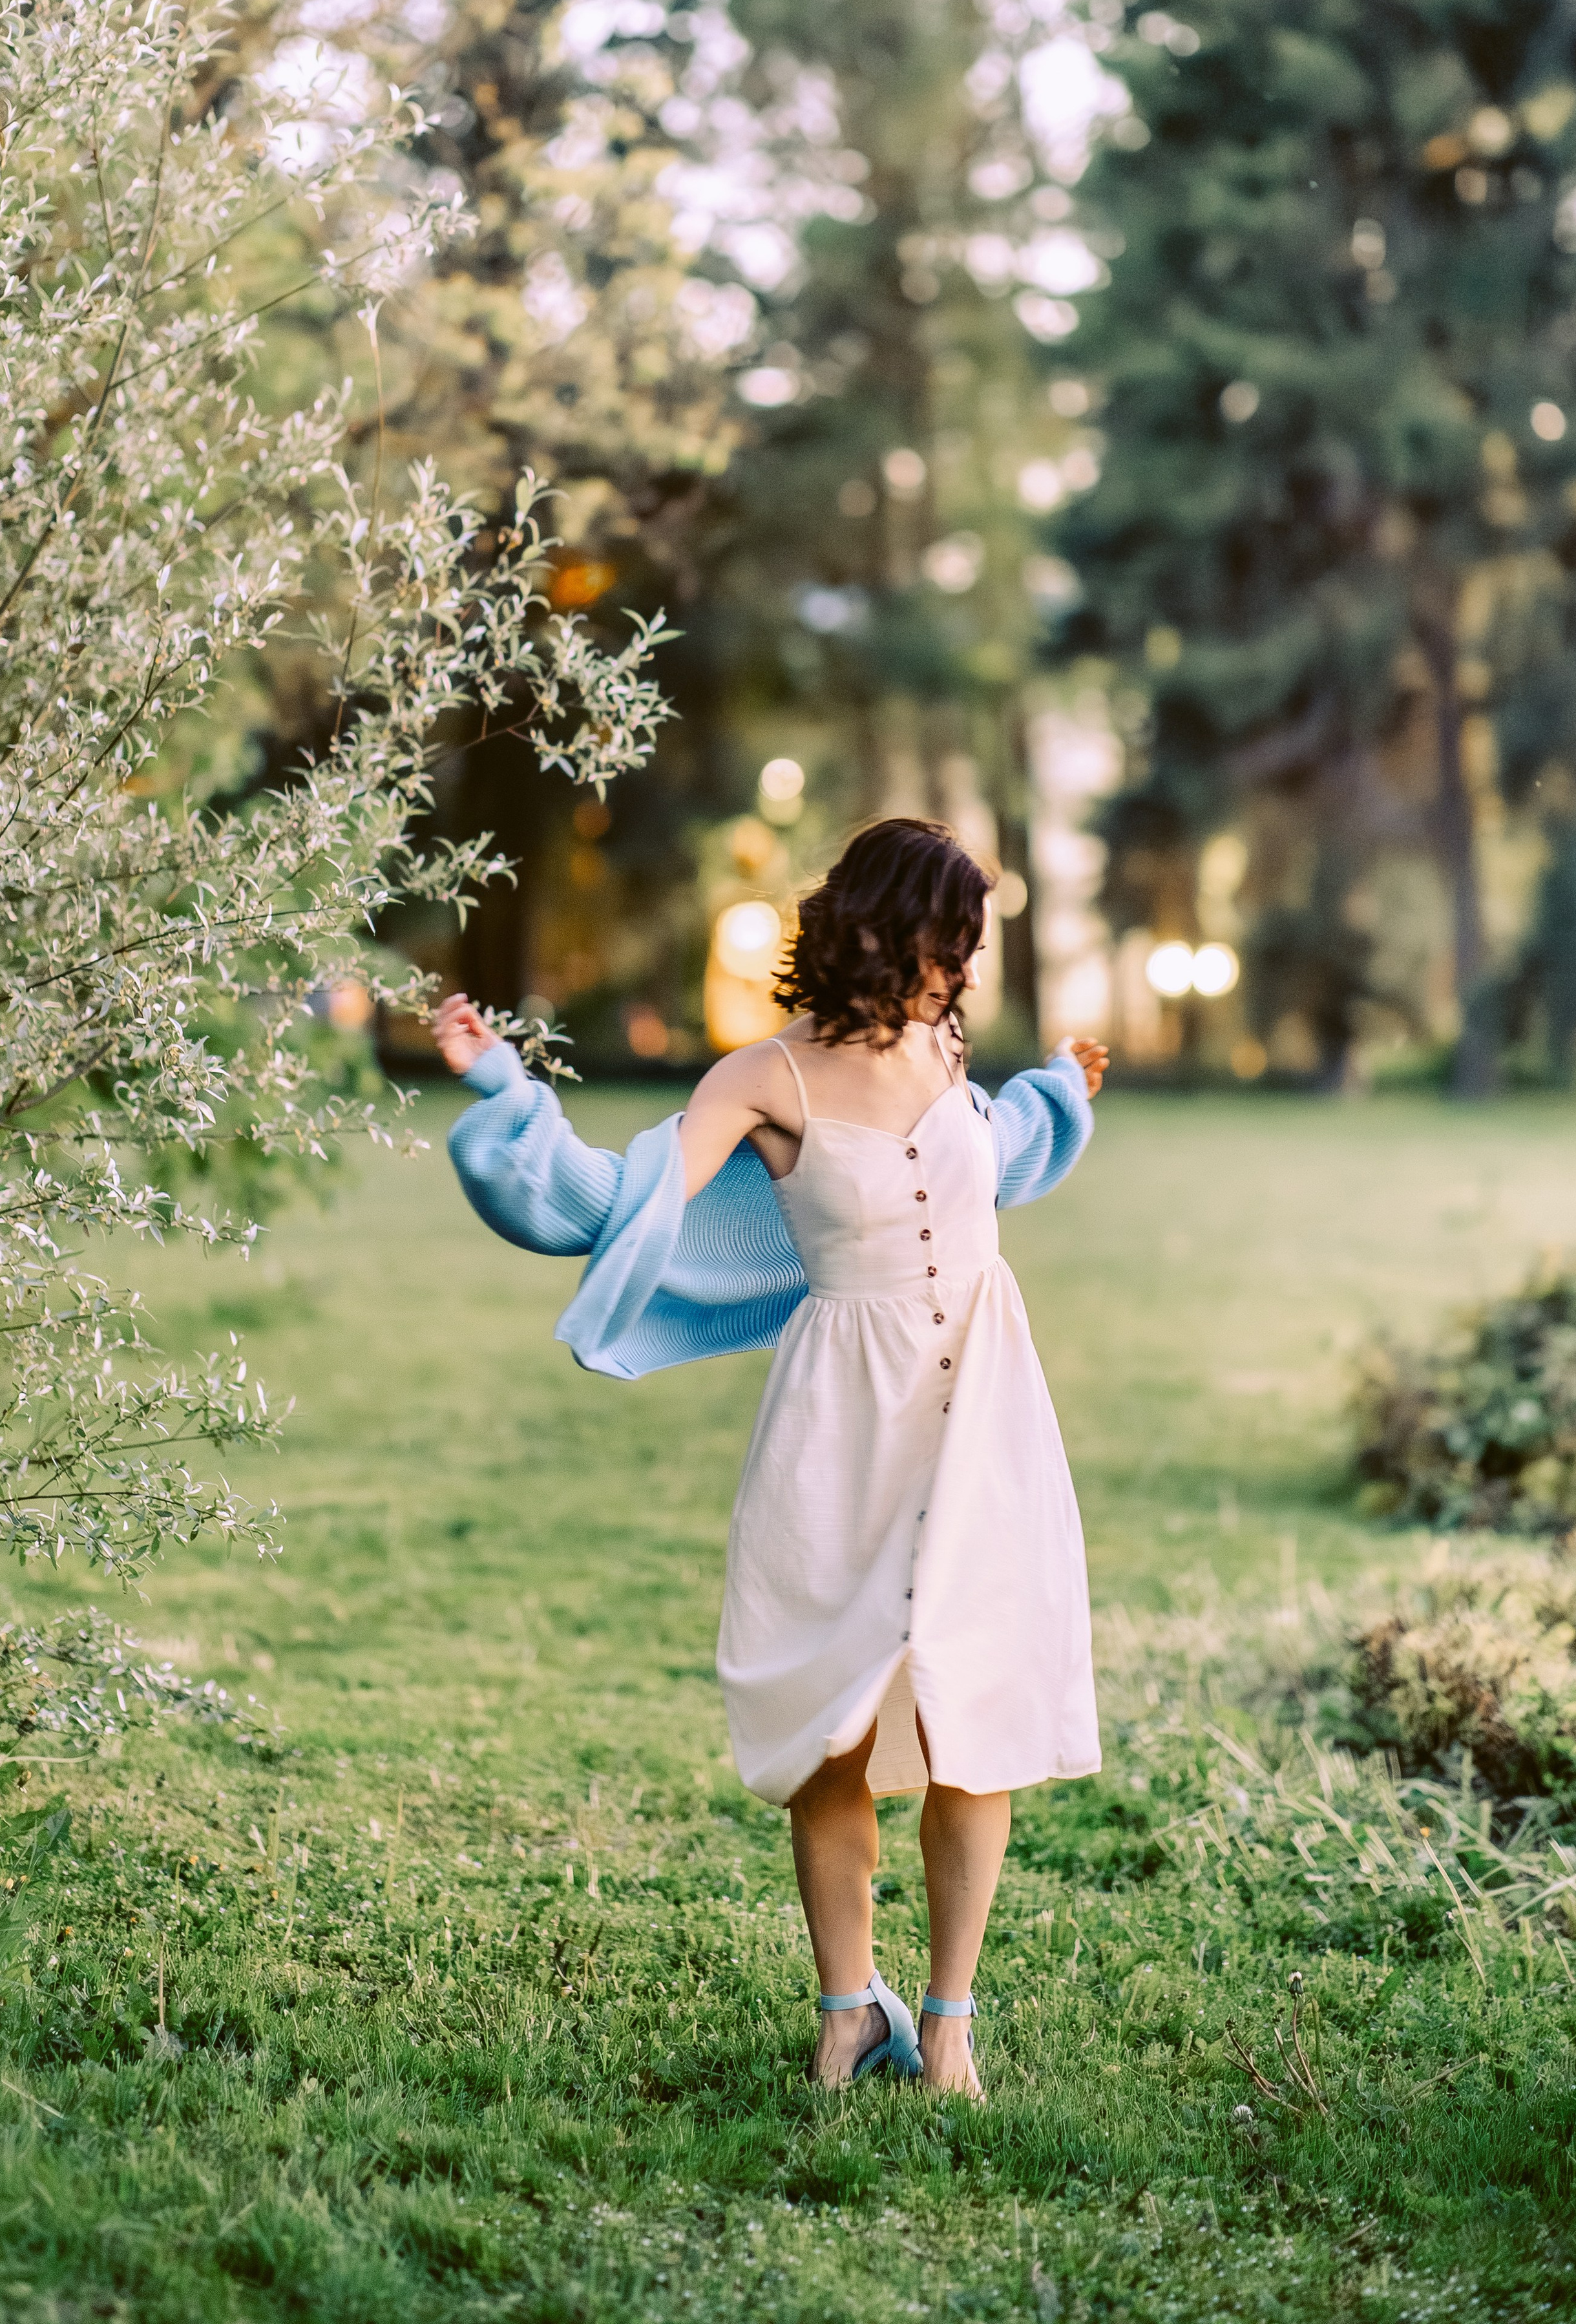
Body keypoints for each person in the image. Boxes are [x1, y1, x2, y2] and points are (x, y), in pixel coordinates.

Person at [434, 818, 1109, 2099]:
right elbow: (614, 1203)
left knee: (977, 1717)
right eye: (941, 946)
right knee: (834, 1728)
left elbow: (991, 1162)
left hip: (987, 1418)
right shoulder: (760, 1083)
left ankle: (951, 2029)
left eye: (965, 954)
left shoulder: (945, 1042)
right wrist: (505, 1094)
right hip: (843, 1427)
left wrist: (1061, 1093)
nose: (957, 973)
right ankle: (849, 2013)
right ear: (873, 931)